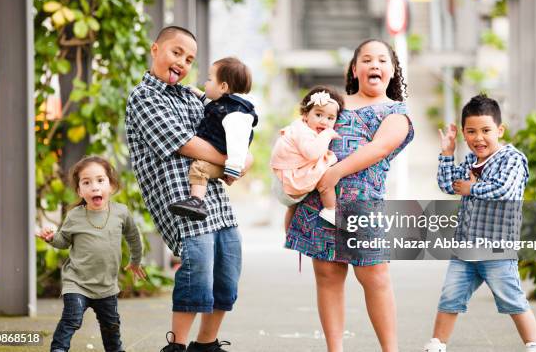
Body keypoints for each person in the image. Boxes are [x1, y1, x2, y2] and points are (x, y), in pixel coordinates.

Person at [285, 39, 414, 352]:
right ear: (354, 69)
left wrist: (334, 175)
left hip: (363, 206)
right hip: (317, 204)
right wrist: (292, 200)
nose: (374, 65)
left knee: (375, 275)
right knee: (327, 274)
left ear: (393, 70)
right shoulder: (332, 106)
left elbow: (379, 148)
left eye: (382, 60)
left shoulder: (396, 113)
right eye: (366, 60)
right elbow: (303, 145)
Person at [126, 26, 249, 352]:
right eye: (176, 52)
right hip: (182, 201)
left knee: (228, 271)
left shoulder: (195, 97)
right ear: (155, 49)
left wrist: (241, 154)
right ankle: (177, 346)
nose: (182, 62)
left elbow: (228, 133)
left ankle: (206, 345)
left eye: (189, 58)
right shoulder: (144, 97)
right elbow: (185, 144)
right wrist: (233, 159)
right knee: (198, 271)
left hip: (216, 202)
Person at [424, 94, 536, 352]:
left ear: (499, 130)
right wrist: (447, 153)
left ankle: (534, 346)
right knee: (450, 297)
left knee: (512, 298)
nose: (478, 138)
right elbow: (449, 185)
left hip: (497, 249)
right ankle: (437, 344)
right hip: (465, 249)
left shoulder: (512, 159)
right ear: (464, 134)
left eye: (486, 130)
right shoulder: (469, 160)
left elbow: (504, 189)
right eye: (471, 131)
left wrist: (472, 187)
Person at [36, 156, 145, 352]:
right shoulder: (75, 216)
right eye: (86, 182)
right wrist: (52, 238)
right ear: (79, 190)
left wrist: (135, 261)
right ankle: (58, 349)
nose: (94, 187)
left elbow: (134, 237)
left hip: (106, 286)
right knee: (72, 318)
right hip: (77, 282)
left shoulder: (121, 212)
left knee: (111, 327)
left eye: (100, 180)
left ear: (111, 185)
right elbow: (64, 241)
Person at [169, 57, 257, 220]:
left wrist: (232, 171)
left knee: (200, 167)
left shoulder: (237, 116)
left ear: (223, 86)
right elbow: (214, 106)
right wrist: (198, 94)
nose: (205, 83)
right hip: (221, 157)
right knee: (200, 167)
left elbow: (238, 145)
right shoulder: (228, 106)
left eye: (209, 79)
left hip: (228, 163)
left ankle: (196, 201)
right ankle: (196, 200)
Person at [270, 86, 342, 227]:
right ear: (305, 114)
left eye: (330, 118)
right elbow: (312, 153)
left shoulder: (301, 127)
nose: (324, 121)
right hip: (289, 182)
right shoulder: (303, 132)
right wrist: (327, 134)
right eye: (318, 115)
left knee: (293, 208)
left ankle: (289, 236)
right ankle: (330, 209)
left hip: (286, 181)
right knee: (327, 173)